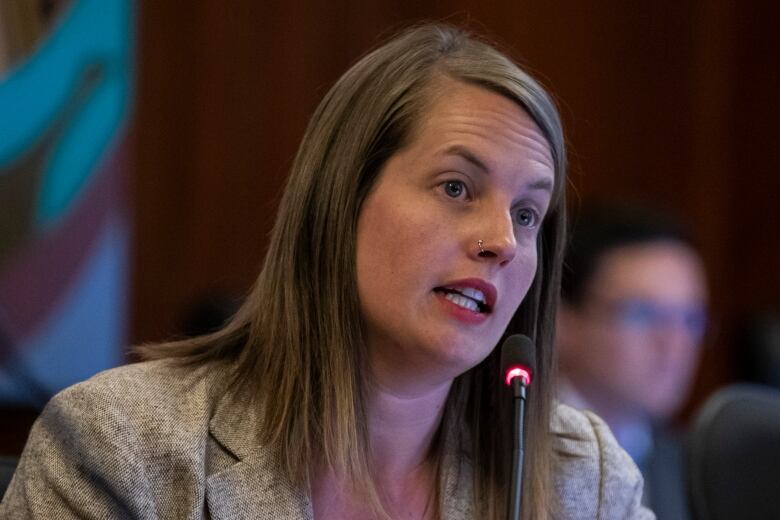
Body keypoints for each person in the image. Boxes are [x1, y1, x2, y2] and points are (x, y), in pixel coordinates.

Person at [0, 25, 653, 519]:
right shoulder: (119, 451)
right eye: (457, 187)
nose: (502, 242)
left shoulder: (585, 481)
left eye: (529, 213)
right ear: (340, 201)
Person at [556, 203, 709, 519]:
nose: (674, 344)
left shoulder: (698, 474)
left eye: (690, 319)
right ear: (562, 320)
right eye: (643, 314)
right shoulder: (505, 451)